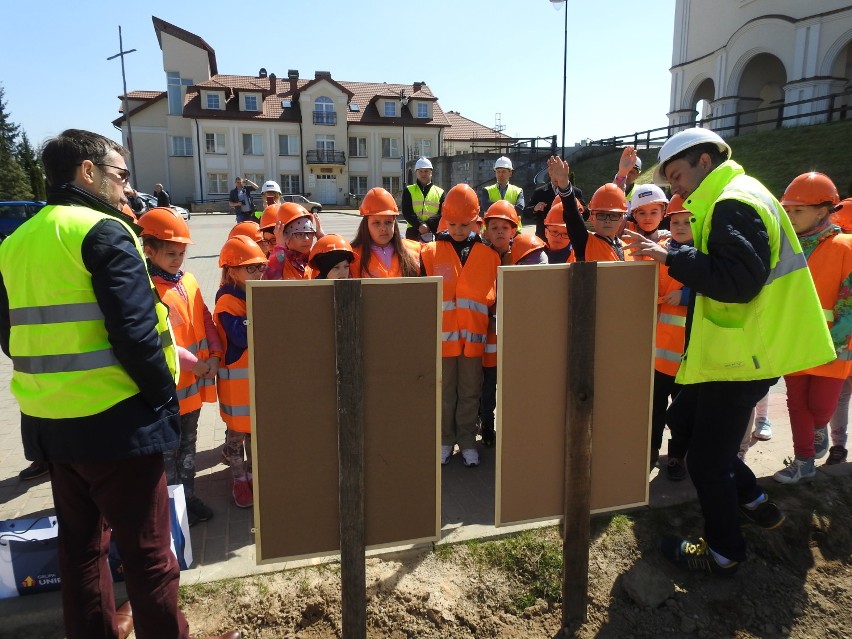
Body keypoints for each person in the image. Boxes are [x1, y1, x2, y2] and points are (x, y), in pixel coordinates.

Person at [0, 129, 240, 639]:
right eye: (120, 175)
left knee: (81, 551)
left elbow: (10, 335)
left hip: (50, 426)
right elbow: (137, 336)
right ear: (87, 172)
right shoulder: (105, 232)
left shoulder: (16, 240)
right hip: (116, 424)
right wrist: (162, 405)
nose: (127, 189)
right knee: (150, 553)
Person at [622, 127, 835, 576]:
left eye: (677, 176)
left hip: (742, 355)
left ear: (704, 161)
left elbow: (738, 282)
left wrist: (671, 258)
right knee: (681, 420)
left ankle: (724, 552)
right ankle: (754, 500)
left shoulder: (732, 203)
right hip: (731, 349)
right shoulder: (734, 195)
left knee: (706, 460)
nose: (675, 189)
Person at [139, 207, 222, 527]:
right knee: (166, 453)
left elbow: (203, 317)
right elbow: (159, 341)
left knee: (188, 446)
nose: (178, 260)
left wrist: (214, 353)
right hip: (166, 390)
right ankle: (170, 507)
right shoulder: (144, 289)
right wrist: (196, 363)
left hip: (192, 386)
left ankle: (187, 496)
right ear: (149, 250)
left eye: (182, 253)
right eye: (171, 253)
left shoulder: (186, 280)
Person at [773, 172, 852, 484]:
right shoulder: (783, 248)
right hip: (794, 342)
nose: (790, 217)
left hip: (833, 346)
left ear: (822, 211)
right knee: (796, 403)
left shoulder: (845, 247)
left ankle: (818, 430)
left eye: (797, 211)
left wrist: (835, 340)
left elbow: (849, 300)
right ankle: (804, 460)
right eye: (787, 210)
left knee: (821, 407)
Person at [421, 184, 499, 468]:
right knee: (445, 393)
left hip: (474, 342)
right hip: (442, 341)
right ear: (444, 219)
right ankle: (444, 440)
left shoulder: (490, 256)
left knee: (469, 394)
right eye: (452, 224)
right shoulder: (429, 252)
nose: (457, 229)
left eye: (464, 224)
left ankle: (467, 441)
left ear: (476, 221)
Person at [214, 235, 268, 508]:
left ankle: (253, 477)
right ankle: (238, 480)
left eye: (260, 266)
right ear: (231, 270)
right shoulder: (227, 300)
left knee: (254, 435)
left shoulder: (253, 292)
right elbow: (240, 337)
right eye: (251, 267)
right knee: (236, 437)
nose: (258, 272)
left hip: (254, 382)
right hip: (236, 387)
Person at [651, 195, 692, 479]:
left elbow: (719, 286)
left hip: (689, 356)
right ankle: (649, 452)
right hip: (657, 352)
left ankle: (677, 457)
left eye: (687, 221)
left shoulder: (707, 254)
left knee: (682, 414)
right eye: (675, 221)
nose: (679, 226)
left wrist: (688, 295)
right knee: (653, 410)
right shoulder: (659, 251)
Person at [546, 158, 627, 262]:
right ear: (592, 217)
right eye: (601, 215)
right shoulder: (584, 242)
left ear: (621, 218)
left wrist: (623, 173)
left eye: (614, 215)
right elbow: (572, 216)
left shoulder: (628, 247)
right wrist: (564, 185)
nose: (608, 220)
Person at [350, 187, 420, 278]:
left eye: (388, 222)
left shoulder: (414, 249)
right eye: (376, 223)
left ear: (395, 223)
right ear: (366, 225)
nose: (383, 228)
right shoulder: (352, 256)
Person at [263, 202, 322, 280]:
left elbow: (334, 265)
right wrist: (280, 246)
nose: (307, 239)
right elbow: (271, 276)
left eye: (310, 233)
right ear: (286, 237)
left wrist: (321, 239)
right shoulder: (281, 262)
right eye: (300, 234)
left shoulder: (315, 258)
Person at [401, 157, 445, 241]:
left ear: (431, 172)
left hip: (433, 231)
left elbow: (443, 213)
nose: (423, 174)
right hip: (413, 232)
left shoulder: (440, 192)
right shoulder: (408, 190)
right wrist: (419, 225)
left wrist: (427, 225)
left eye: (426, 171)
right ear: (416, 173)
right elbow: (407, 212)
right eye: (420, 171)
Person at [481, 156, 525, 225]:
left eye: (504, 172)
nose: (500, 175)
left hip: (513, 231)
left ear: (510, 173)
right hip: (491, 232)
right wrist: (509, 208)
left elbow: (519, 209)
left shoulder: (518, 191)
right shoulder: (486, 190)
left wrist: (496, 208)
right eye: (498, 172)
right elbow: (485, 206)